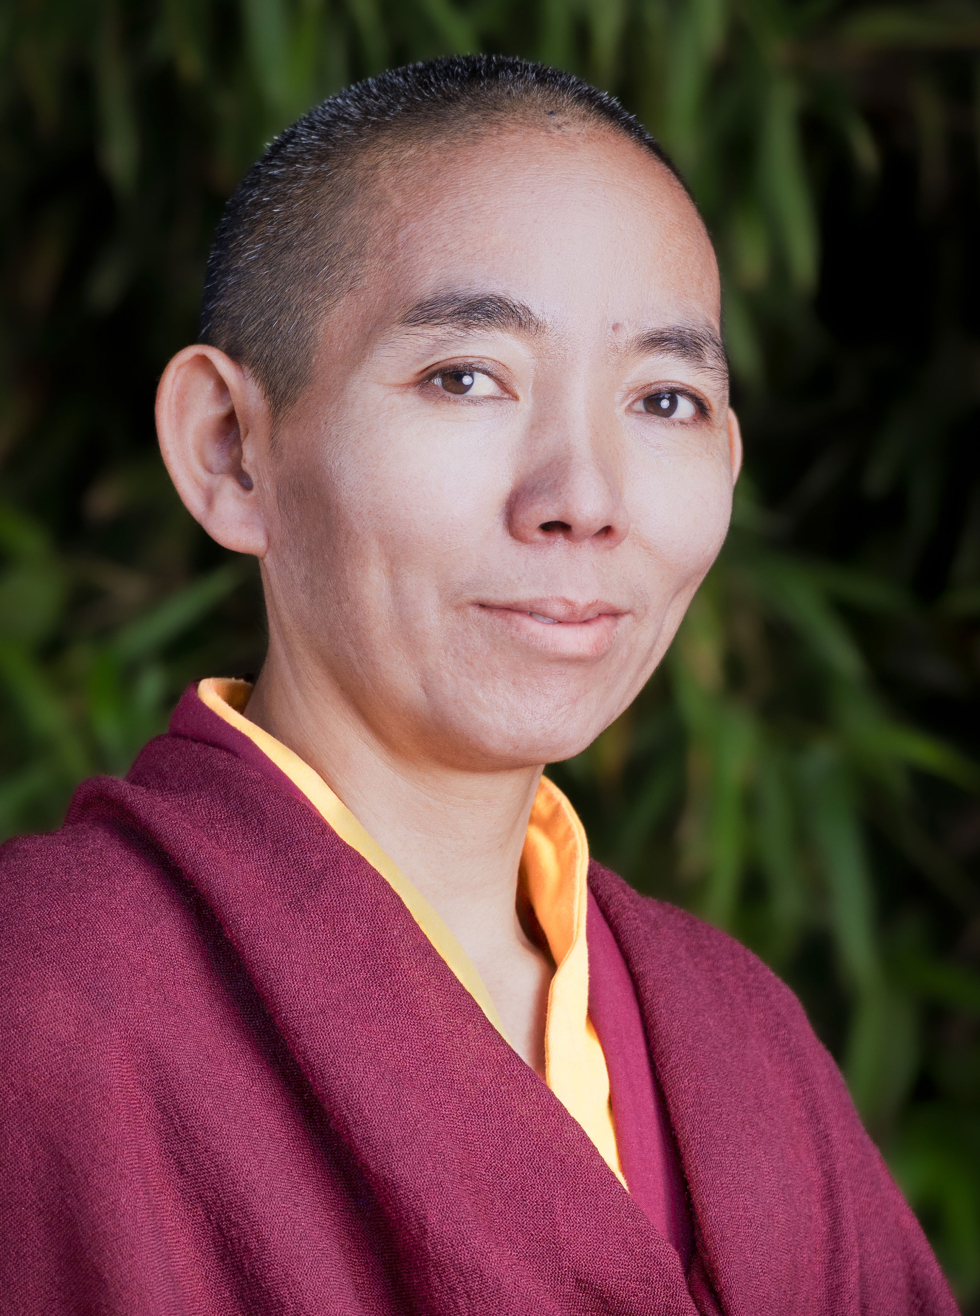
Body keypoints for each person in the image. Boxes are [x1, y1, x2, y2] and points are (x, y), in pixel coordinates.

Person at [0, 55, 957, 1316]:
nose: (582, 497)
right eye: (465, 376)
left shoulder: (738, 1039)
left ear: (726, 462)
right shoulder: (46, 997)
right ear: (230, 449)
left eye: (663, 398)